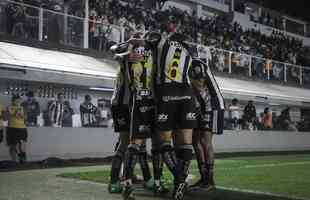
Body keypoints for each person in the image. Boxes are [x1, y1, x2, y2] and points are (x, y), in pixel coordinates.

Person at [151, 31, 197, 200]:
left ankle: (179, 178)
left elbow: (147, 41)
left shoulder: (163, 42)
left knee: (163, 142)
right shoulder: (190, 52)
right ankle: (180, 184)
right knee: (186, 143)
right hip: (186, 94)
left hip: (167, 92)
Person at [189, 59, 225, 191]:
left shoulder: (196, 64)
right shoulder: (187, 67)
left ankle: (210, 181)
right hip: (202, 107)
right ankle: (204, 178)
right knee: (195, 141)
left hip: (213, 105)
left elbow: (200, 84)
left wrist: (185, 81)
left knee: (205, 141)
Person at [6, 95, 28, 163]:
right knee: (12, 145)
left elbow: (25, 117)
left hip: (22, 128)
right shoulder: (9, 107)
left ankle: (22, 158)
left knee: (22, 144)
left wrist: (23, 115)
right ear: (13, 100)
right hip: (12, 128)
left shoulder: (22, 107)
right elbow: (8, 117)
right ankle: (13, 161)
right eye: (17, 100)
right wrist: (16, 111)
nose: (18, 101)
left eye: (19, 100)